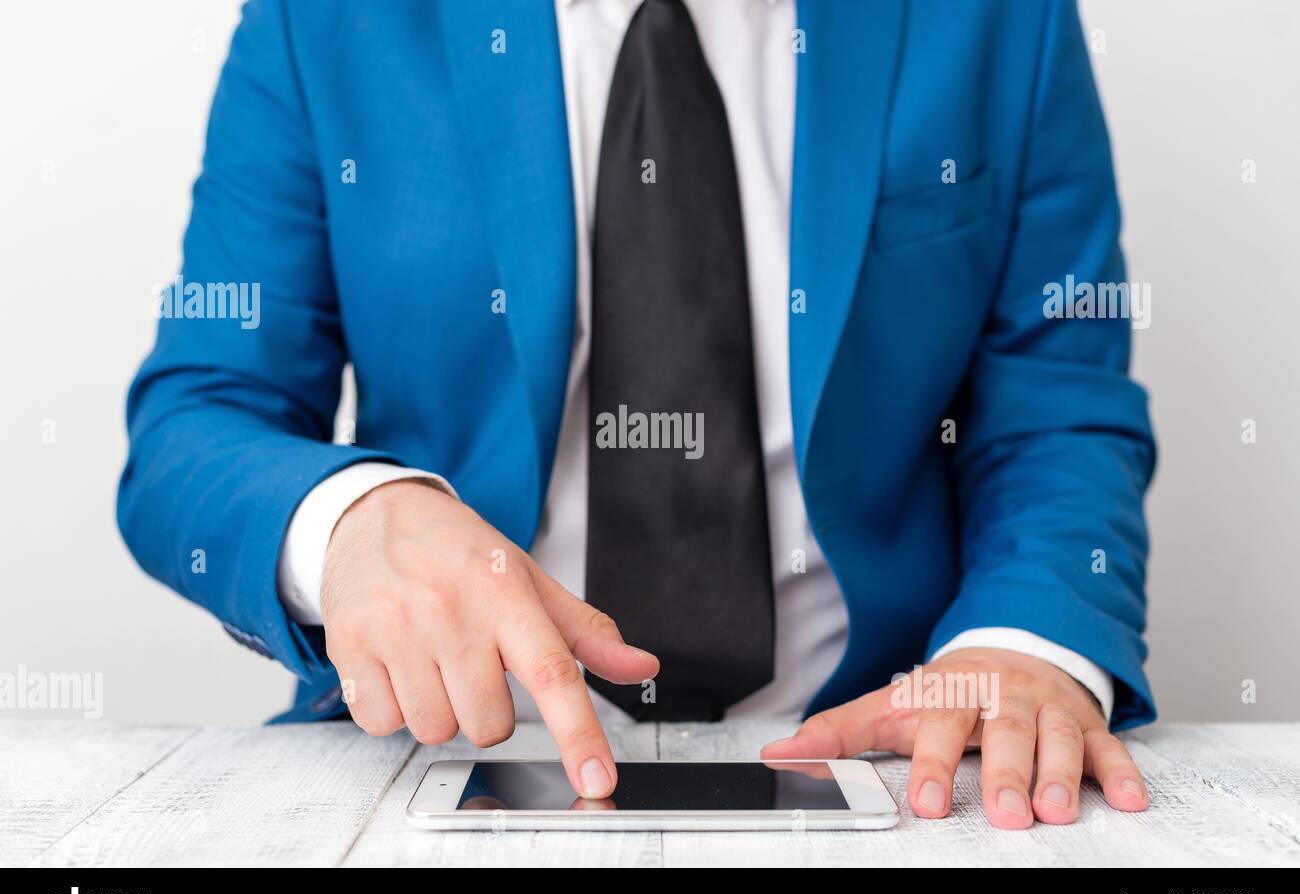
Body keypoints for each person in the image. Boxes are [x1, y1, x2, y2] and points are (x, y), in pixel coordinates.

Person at [119, 0, 1155, 829]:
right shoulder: (323, 21)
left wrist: (1023, 641)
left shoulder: (998, 16)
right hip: (445, 757)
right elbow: (200, 416)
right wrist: (348, 523)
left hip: (888, 757)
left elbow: (1054, 408)